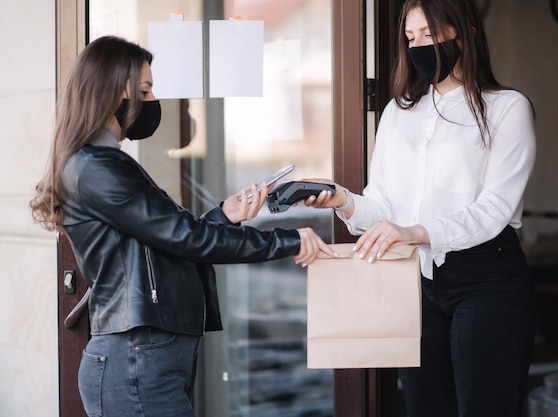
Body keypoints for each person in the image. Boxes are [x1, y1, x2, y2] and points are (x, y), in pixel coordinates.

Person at [30, 35, 336, 417]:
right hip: (136, 363)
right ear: (113, 92)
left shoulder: (101, 163)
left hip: (144, 359)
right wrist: (288, 240)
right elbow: (185, 238)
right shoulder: (97, 168)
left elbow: (166, 241)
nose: (153, 99)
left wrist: (226, 215)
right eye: (145, 89)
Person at [305, 0, 536, 416]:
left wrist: (415, 232)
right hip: (418, 282)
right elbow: (383, 207)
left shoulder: (507, 108)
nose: (418, 47)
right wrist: (342, 199)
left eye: (428, 35)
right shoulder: (398, 112)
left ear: (463, 32)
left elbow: (494, 209)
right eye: (411, 38)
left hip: (488, 280)